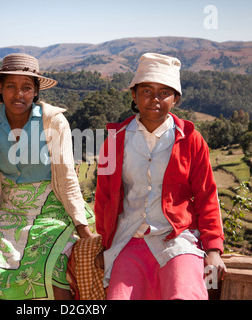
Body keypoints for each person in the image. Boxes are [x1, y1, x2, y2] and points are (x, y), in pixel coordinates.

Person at [94, 53, 226, 300]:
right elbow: (104, 197)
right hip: (128, 239)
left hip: (177, 240)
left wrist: (213, 248)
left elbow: (207, 196)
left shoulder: (191, 140)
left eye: (164, 92)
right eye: (146, 91)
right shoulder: (115, 141)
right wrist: (105, 242)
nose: (155, 99)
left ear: (175, 99)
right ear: (134, 95)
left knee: (184, 295)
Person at [0, 53, 95, 300]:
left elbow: (68, 178)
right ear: (0, 88)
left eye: (27, 87)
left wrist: (84, 230)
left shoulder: (53, 122)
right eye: (11, 86)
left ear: (36, 91)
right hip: (11, 211)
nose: (19, 94)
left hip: (54, 208)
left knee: (51, 269)